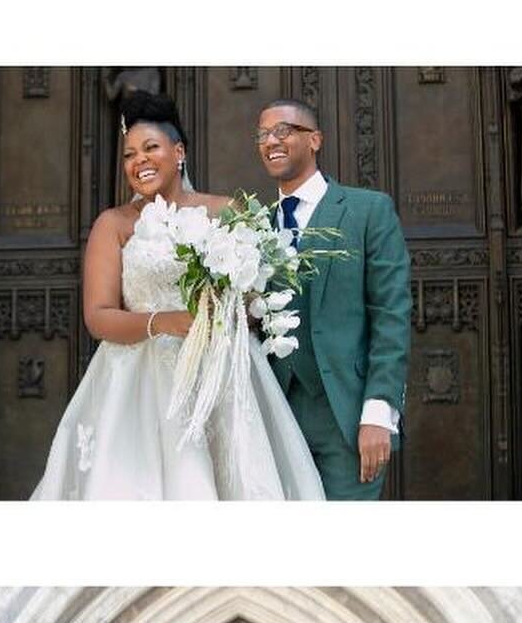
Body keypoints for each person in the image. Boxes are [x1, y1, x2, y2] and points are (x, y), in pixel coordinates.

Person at [31, 92, 325, 500]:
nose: (140, 161)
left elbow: (254, 299)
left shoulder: (226, 212)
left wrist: (233, 309)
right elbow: (98, 316)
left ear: (179, 151)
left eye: (151, 148)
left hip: (218, 374)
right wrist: (164, 321)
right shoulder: (113, 225)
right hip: (137, 383)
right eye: (130, 154)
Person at [256, 99, 411, 500]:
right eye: (263, 134)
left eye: (283, 130)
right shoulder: (252, 227)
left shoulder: (367, 211)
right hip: (274, 416)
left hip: (347, 416)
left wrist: (379, 414)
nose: (271, 140)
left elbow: (391, 315)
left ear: (315, 140)